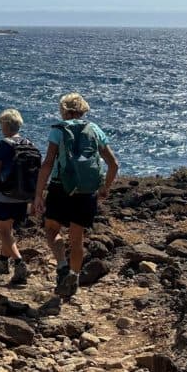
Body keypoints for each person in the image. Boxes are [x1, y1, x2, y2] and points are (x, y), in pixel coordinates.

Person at [33, 93, 119, 297]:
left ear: (64, 110)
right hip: (86, 192)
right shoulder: (94, 129)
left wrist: (38, 193)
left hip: (60, 188)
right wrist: (104, 188)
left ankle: (62, 265)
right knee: (77, 238)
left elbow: (48, 163)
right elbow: (113, 164)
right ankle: (74, 275)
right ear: (83, 110)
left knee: (51, 228)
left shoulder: (59, 130)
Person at [0, 108, 35, 286]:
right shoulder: (29, 144)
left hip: (3, 196)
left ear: (5, 125)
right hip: (23, 197)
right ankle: (2, 262)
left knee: (3, 232)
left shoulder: (3, 145)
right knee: (9, 230)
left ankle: (19, 263)